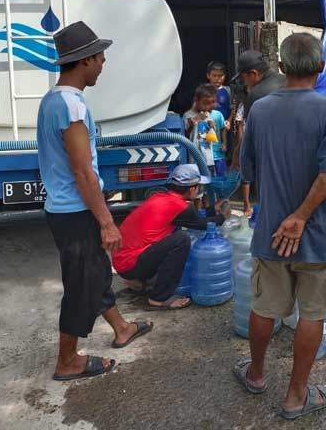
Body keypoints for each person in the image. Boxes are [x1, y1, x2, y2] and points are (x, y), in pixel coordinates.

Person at [237, 32, 326, 420]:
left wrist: (283, 211)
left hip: (271, 231)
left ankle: (255, 374)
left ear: (282, 67)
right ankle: (296, 396)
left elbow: (247, 169)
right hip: (317, 234)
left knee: (264, 307)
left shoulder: (259, 109)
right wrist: (300, 217)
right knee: (312, 314)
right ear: (321, 66)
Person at [37, 21, 152, 382]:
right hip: (76, 211)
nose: (103, 64)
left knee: (96, 273)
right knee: (80, 287)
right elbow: (83, 171)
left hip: (66, 209)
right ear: (85, 60)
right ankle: (67, 360)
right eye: (100, 58)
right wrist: (106, 221)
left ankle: (121, 328)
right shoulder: (70, 106)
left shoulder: (52, 100)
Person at [113, 164, 226, 310]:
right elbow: (203, 224)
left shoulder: (161, 197)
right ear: (192, 189)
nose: (199, 190)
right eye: (198, 187)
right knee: (181, 240)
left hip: (122, 260)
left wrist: (212, 209)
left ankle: (139, 282)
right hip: (130, 264)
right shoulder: (180, 206)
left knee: (170, 235)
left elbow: (194, 218)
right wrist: (223, 216)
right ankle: (158, 298)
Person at [232, 50, 286, 216]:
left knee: (272, 209)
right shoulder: (286, 80)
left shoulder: (256, 95)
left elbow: (252, 133)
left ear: (253, 74)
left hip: (272, 159)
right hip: (296, 156)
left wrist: (237, 153)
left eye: (243, 78)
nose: (244, 83)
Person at [182, 84, 220, 178]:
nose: (208, 107)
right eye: (205, 103)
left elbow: (211, 138)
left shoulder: (208, 115)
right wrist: (194, 121)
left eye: (211, 103)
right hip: (194, 159)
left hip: (208, 158)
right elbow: (184, 136)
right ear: (196, 100)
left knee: (208, 180)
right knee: (196, 180)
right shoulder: (187, 115)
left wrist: (212, 127)